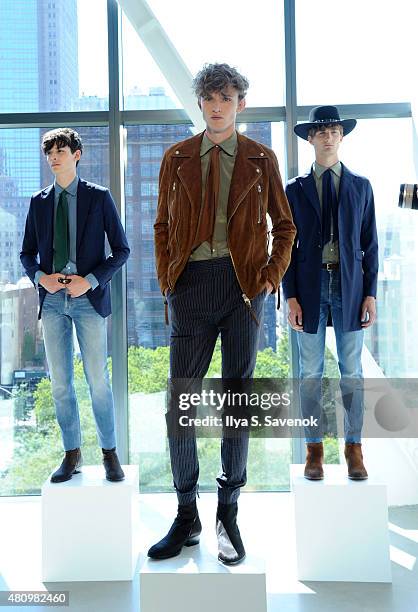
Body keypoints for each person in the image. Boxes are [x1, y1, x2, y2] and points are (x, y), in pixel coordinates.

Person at [151, 63, 296, 564]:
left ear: (241, 104)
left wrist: (269, 279)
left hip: (243, 292)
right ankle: (186, 512)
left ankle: (228, 512)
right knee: (180, 408)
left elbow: (286, 226)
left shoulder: (261, 158)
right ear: (200, 103)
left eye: (226, 97)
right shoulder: (176, 157)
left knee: (237, 405)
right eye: (209, 98)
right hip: (190, 288)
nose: (217, 106)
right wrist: (170, 280)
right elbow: (162, 226)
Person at [20, 128, 130, 483]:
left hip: (88, 300)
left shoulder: (99, 198)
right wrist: (41, 278)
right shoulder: (38, 202)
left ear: (76, 154)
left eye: (61, 150)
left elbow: (121, 250)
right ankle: (72, 454)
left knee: (98, 380)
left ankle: (110, 453)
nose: (54, 157)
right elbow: (26, 254)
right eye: (49, 152)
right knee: (61, 384)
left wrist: (91, 281)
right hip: (52, 301)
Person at [282, 106, 378, 481]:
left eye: (333, 130)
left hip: (350, 287)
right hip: (308, 288)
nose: (327, 136)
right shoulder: (294, 189)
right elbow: (285, 245)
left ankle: (354, 449)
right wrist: (289, 295)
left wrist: (370, 293)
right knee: (310, 373)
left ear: (341, 136)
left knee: (351, 372)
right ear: (310, 138)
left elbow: (369, 245)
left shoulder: (360, 186)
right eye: (320, 131)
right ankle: (314, 451)